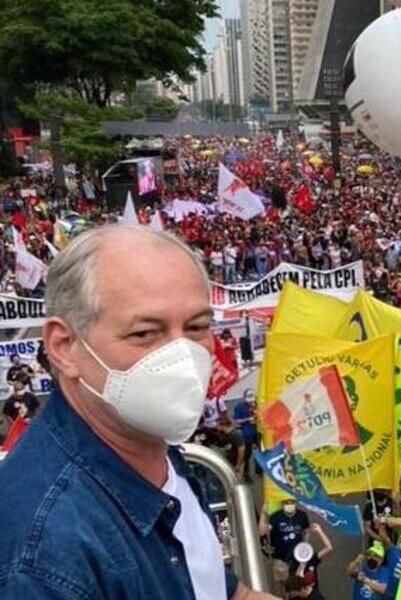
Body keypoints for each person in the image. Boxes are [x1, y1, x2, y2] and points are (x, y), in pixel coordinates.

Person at [0, 225, 275, 599]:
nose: (182, 356)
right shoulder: (44, 558)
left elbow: (215, 588)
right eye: (145, 334)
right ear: (64, 347)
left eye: (197, 327)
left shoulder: (157, 451)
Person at [263, 499, 311, 585]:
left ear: (296, 503)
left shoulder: (302, 516)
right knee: (282, 584)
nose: (289, 505)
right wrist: (264, 514)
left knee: (297, 582)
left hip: (297, 557)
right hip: (280, 557)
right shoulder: (275, 517)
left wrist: (305, 547)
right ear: (282, 504)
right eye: (286, 503)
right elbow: (263, 532)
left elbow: (306, 531)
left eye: (292, 502)